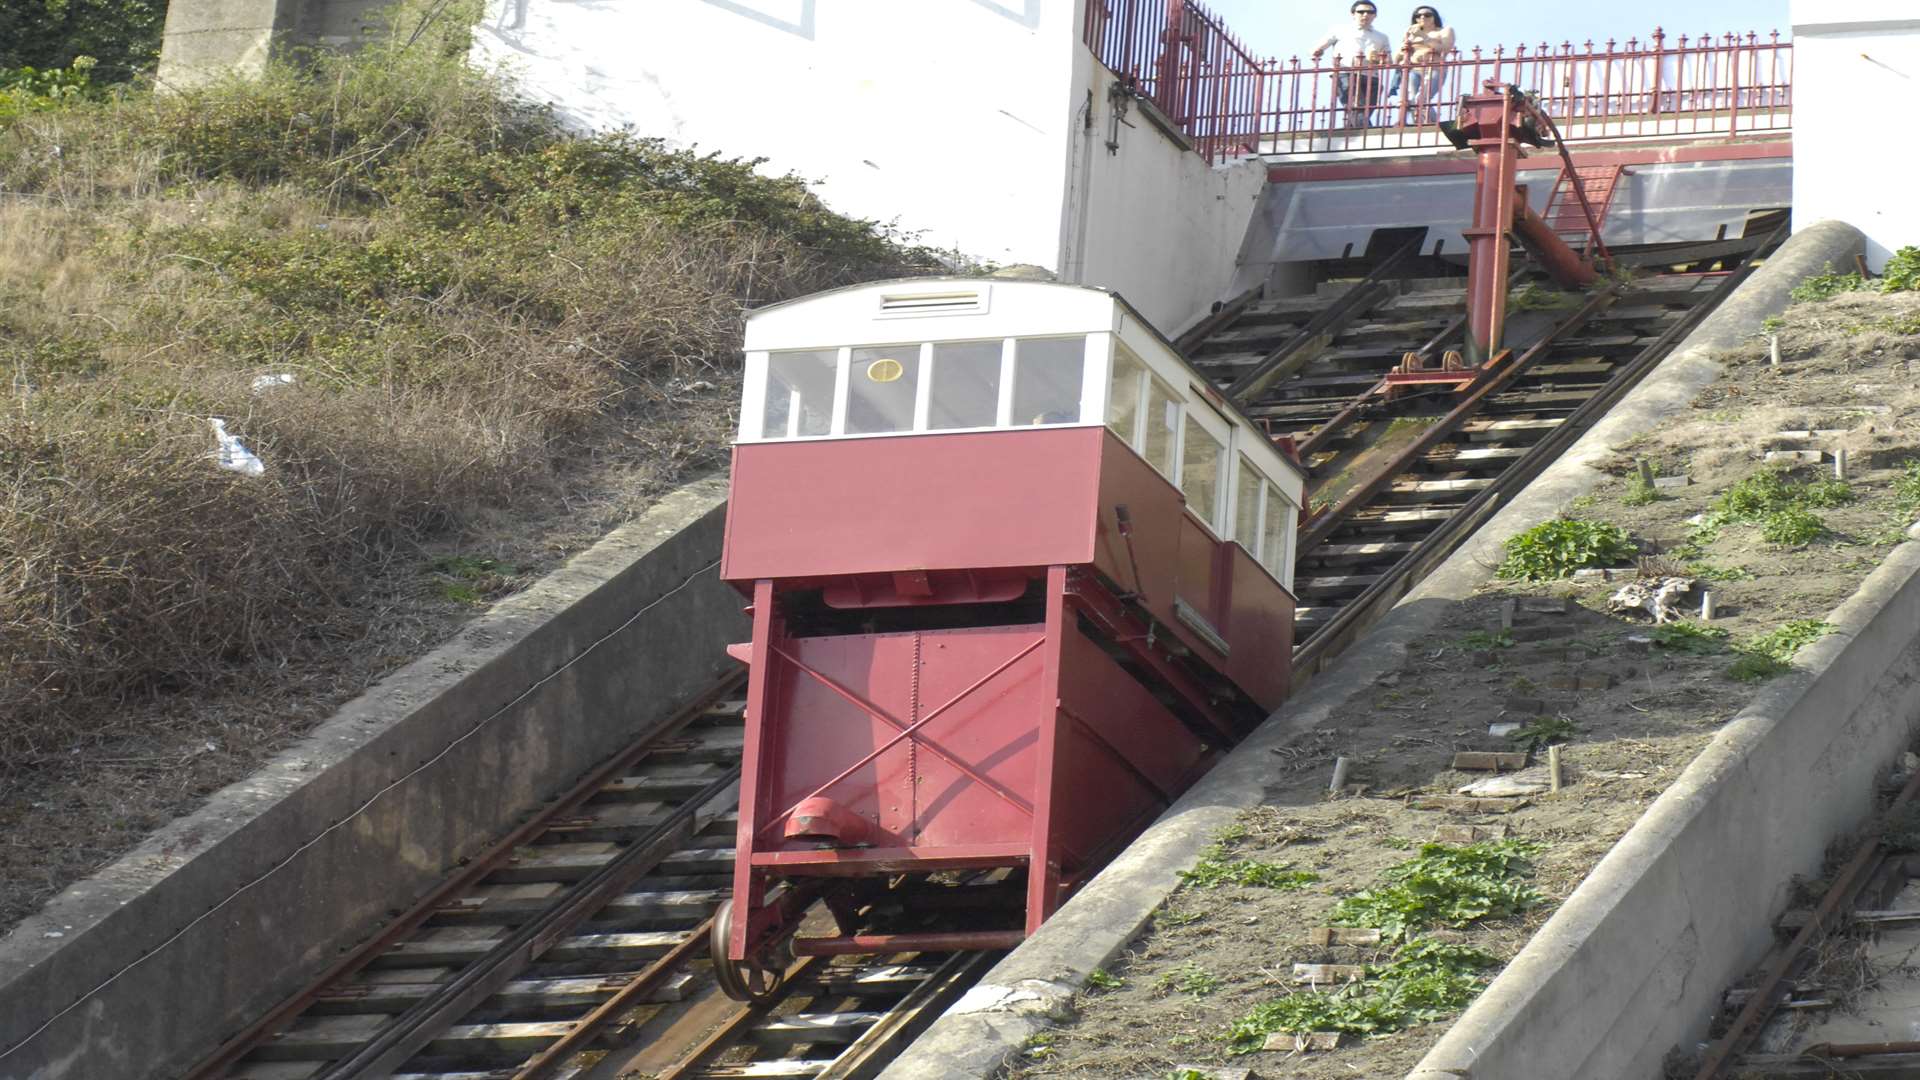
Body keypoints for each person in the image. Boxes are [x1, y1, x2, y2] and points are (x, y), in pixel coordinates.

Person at [1310, 2, 1394, 129]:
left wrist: (1380, 60)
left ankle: (1351, 128)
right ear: (1353, 14)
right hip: (1345, 72)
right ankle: (1366, 130)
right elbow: (1317, 48)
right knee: (1356, 103)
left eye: (1370, 12)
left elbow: (1389, 60)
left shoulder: (1381, 37)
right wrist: (1317, 51)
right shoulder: (1339, 30)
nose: (1365, 15)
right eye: (1361, 12)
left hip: (1371, 74)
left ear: (1375, 15)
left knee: (1368, 106)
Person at [1390, 6, 1456, 125]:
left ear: (1434, 16)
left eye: (1427, 15)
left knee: (1421, 98)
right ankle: (1420, 123)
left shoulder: (1444, 30)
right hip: (1414, 69)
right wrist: (1405, 45)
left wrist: (1423, 36)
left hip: (1434, 68)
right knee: (1410, 101)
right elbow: (1396, 58)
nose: (1422, 17)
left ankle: (1433, 124)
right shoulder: (1411, 32)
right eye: (1418, 15)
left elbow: (1445, 50)